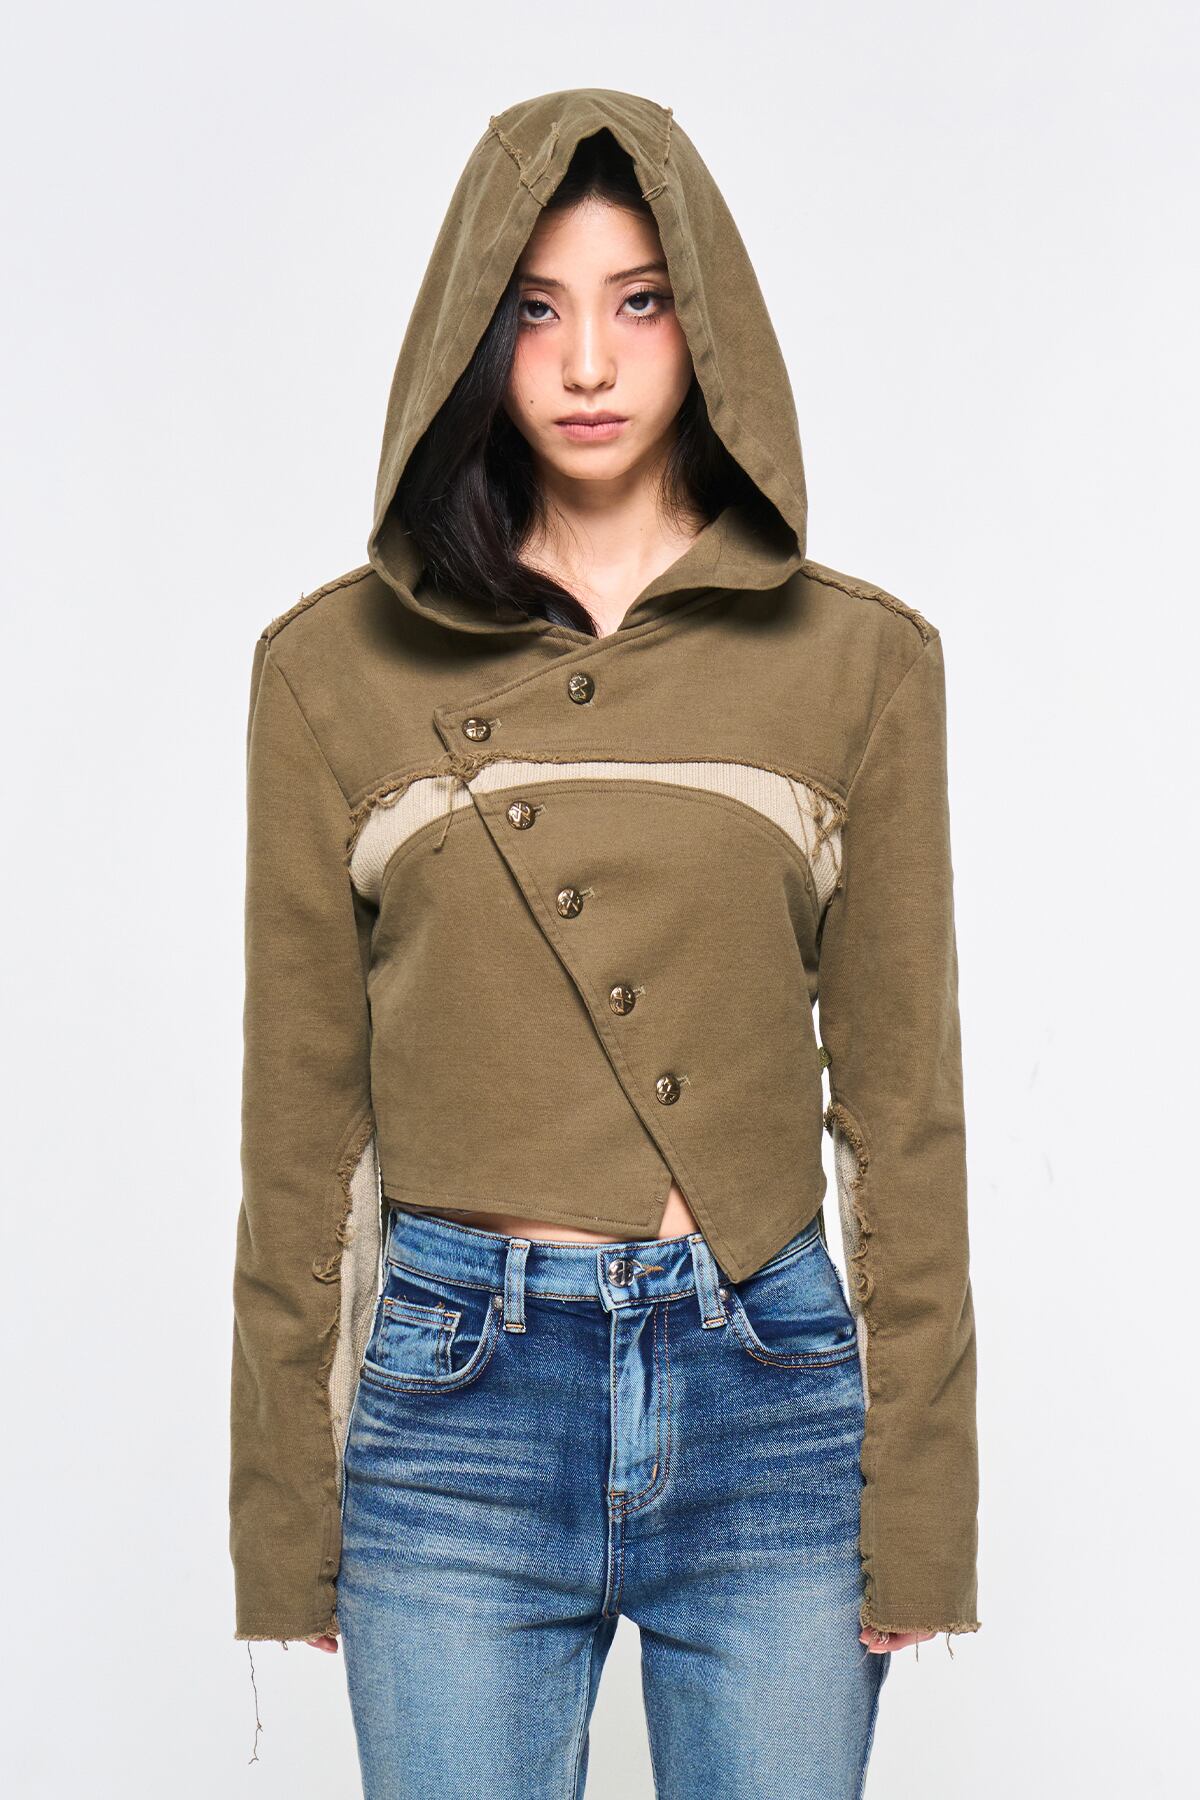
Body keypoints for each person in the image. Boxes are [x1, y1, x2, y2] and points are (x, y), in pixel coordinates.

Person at [230, 86, 981, 1797]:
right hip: (454, 1403)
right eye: (537, 310)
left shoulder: (863, 666)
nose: (587, 363)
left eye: (638, 302)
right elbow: (301, 1129)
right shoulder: (326, 674)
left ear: (705, 323)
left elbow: (902, 1115)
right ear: (471, 336)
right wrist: (284, 1510)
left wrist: (926, 1504)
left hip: (768, 1393)